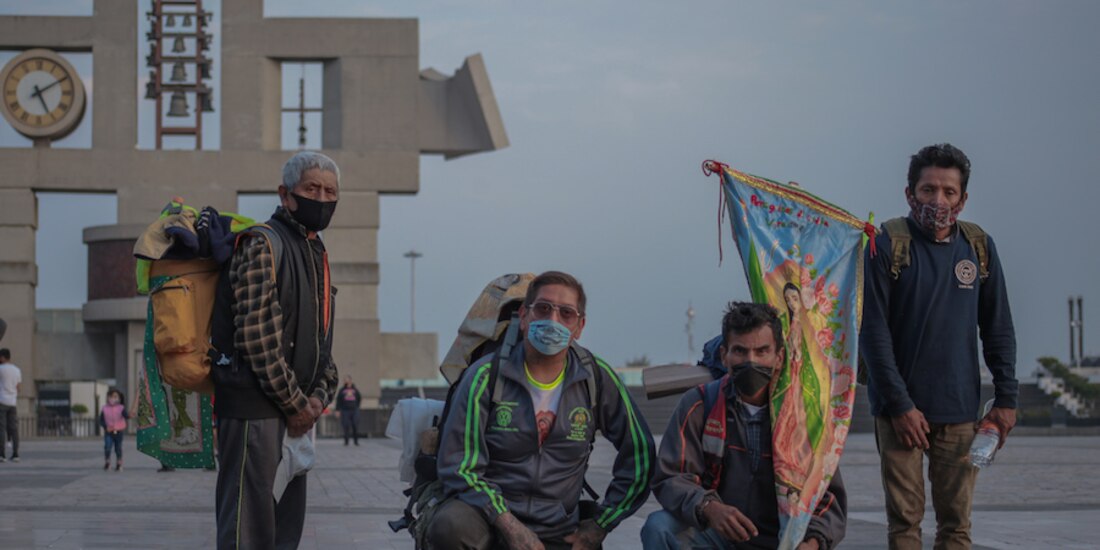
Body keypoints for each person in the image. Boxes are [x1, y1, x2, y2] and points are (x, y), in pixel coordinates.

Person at [427, 271, 656, 550]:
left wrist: (602, 523)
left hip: (560, 527)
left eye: (566, 313)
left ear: (579, 327)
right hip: (489, 520)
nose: (552, 320)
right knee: (450, 526)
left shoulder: (595, 377)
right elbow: (459, 466)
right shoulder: (485, 377)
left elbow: (640, 453)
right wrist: (508, 524)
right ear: (524, 316)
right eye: (543, 309)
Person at [860, 143, 1017, 549]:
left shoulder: (978, 247)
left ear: (963, 199)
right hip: (899, 413)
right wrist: (900, 405)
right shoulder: (885, 245)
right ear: (909, 193)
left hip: (960, 410)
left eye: (949, 192)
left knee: (956, 527)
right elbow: (873, 334)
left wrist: (1006, 398)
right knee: (904, 524)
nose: (938, 200)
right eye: (928, 190)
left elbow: (997, 328)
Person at [212, 151, 341, 549]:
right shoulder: (262, 244)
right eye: (311, 189)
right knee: (248, 530)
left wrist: (317, 398)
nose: (321, 199)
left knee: (286, 528)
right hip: (255, 410)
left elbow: (323, 347)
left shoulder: (316, 253)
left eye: (330, 191)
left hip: (296, 413)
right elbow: (256, 337)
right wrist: (296, 405)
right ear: (286, 195)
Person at [642, 302, 847, 550]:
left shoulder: (803, 416)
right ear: (723, 355)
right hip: (718, 536)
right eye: (740, 351)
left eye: (762, 352)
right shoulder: (700, 405)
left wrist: (812, 543)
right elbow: (671, 477)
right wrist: (709, 507)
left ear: (779, 357)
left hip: (782, 540)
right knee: (659, 527)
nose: (751, 361)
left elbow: (828, 497)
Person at [99, 388, 129, 471]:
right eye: (111, 396)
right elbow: (101, 420)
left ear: (119, 398)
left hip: (118, 431)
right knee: (107, 447)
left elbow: (126, 416)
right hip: (108, 431)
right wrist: (106, 427)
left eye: (115, 396)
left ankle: (119, 463)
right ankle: (107, 462)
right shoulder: (104, 408)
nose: (113, 398)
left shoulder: (121, 408)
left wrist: (130, 415)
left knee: (118, 447)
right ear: (108, 397)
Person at [0, 348, 21, 463]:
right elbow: (19, 388)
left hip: (2, 401)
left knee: (1, 428)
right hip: (12, 402)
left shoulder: (1, 369)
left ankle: (2, 454)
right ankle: (16, 454)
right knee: (14, 429)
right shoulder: (16, 370)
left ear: (2, 357)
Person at [336, 375, 362, 446]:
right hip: (345, 410)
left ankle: (356, 441)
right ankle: (346, 441)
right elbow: (338, 401)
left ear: (350, 380)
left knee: (355, 425)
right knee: (346, 426)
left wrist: (357, 407)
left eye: (347, 379)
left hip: (354, 410)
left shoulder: (355, 390)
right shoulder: (342, 390)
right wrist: (337, 410)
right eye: (344, 380)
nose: (345, 381)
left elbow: (359, 398)